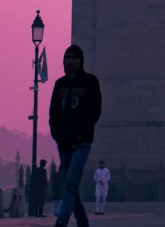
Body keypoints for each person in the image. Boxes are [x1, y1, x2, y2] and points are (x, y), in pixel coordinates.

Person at [49, 45, 103, 227]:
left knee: (71, 181)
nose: (70, 61)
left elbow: (95, 110)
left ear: (80, 60)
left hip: (82, 142)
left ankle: (61, 222)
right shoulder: (60, 84)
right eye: (67, 58)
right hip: (63, 143)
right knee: (70, 184)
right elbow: (53, 113)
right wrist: (56, 135)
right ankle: (82, 220)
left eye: (73, 58)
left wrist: (83, 133)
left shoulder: (90, 82)